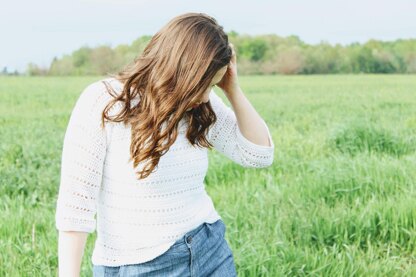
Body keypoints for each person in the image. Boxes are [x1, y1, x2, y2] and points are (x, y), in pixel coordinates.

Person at [55, 12, 275, 277]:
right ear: (181, 70)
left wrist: (232, 90)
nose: (206, 96)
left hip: (209, 251)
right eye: (202, 85)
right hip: (140, 267)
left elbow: (259, 155)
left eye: (213, 85)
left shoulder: (198, 104)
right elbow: (75, 206)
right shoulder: (104, 102)